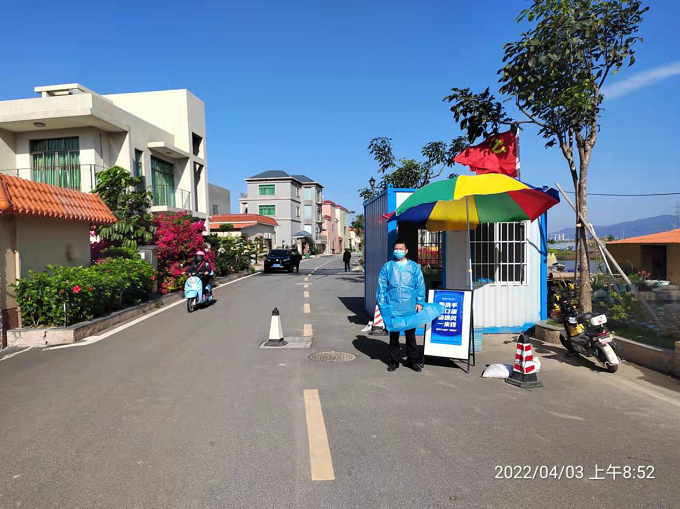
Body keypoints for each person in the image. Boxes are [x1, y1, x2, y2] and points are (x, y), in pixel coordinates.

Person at [376, 239, 425, 372]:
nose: (398, 251)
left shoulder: (414, 267)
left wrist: (420, 302)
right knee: (394, 335)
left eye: (400, 249)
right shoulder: (388, 267)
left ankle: (412, 361)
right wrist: (382, 304)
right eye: (396, 249)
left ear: (406, 251)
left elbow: (420, 285)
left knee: (410, 335)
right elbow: (381, 286)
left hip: (410, 306)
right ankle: (394, 361)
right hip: (393, 306)